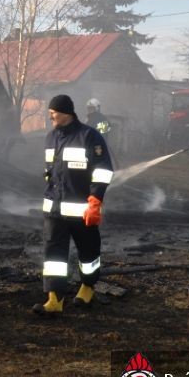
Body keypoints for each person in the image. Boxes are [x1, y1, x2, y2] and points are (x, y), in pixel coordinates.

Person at [34, 94, 114, 315]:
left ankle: (87, 288)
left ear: (67, 112)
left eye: (54, 112)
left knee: (88, 251)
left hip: (82, 210)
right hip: (54, 209)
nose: (50, 116)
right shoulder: (50, 138)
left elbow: (103, 170)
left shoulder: (90, 136)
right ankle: (54, 298)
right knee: (53, 256)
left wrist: (95, 200)